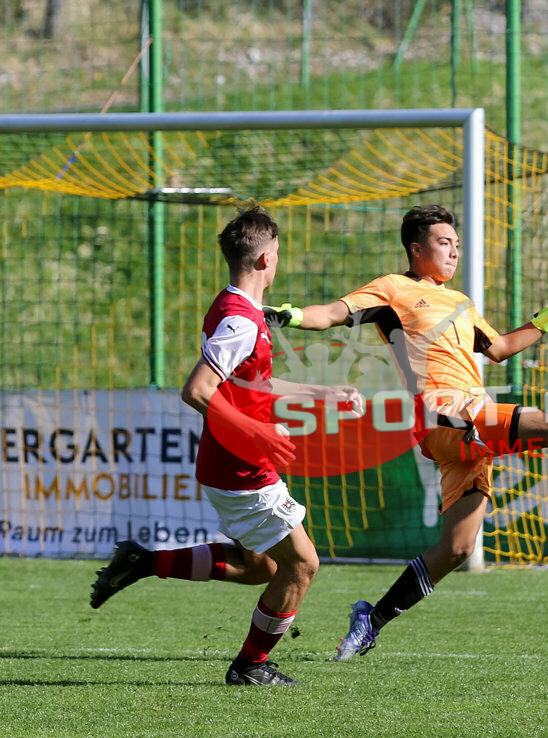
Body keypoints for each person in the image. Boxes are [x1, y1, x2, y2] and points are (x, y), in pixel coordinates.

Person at [263, 204, 548, 661]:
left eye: (456, 244)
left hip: (471, 419)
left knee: (456, 548)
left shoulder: (460, 303)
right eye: (443, 243)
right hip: (443, 413)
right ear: (416, 249)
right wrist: (289, 316)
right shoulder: (393, 289)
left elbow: (499, 349)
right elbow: (333, 312)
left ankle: (369, 621)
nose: (454, 251)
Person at [89, 204, 363, 686]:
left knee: (258, 566)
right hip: (243, 469)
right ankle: (251, 665)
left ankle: (145, 561)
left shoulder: (235, 307)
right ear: (263, 260)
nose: (278, 260)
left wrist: (323, 393)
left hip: (226, 462)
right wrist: (256, 432)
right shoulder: (240, 320)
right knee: (302, 566)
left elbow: (251, 385)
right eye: (276, 252)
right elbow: (196, 390)